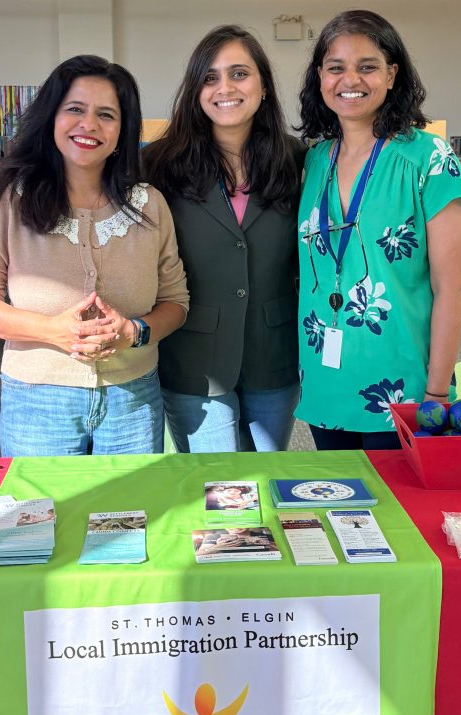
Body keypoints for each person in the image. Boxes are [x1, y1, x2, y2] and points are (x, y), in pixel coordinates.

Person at [0, 56, 189, 456]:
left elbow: (176, 303)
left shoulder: (150, 205)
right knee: (40, 516)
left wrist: (133, 333)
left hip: (132, 398)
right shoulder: (11, 201)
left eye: (106, 115)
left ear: (122, 130)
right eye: (75, 109)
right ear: (52, 118)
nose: (89, 125)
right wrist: (54, 331)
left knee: (131, 515)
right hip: (37, 400)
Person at [296, 10, 461, 450]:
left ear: (392, 75)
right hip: (325, 380)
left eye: (368, 66)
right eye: (335, 67)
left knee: (401, 515)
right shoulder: (315, 160)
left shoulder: (429, 159)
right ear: (320, 76)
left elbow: (450, 289)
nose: (349, 79)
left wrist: (436, 393)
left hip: (404, 389)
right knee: (340, 511)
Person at [143, 26, 304, 453]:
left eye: (239, 74)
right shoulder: (157, 164)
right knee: (220, 498)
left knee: (266, 479)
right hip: (192, 356)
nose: (224, 88)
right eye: (210, 78)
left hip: (275, 352)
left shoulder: (299, 160)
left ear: (264, 86)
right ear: (196, 90)